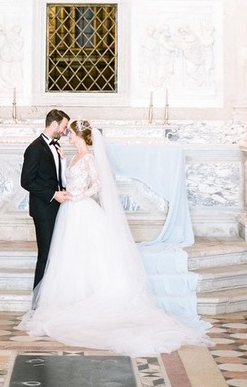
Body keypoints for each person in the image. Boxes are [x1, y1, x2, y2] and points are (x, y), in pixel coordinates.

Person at [19, 119, 210, 357]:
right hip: (69, 212)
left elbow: (97, 185)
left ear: (79, 135)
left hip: (80, 208)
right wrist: (63, 161)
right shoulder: (73, 155)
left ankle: (84, 300)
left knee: (86, 254)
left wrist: (78, 195)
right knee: (70, 256)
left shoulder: (88, 157)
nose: (67, 135)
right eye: (66, 130)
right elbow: (66, 177)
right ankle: (69, 298)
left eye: (70, 132)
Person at [20, 109, 71, 290]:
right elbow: (26, 181)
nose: (64, 131)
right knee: (45, 254)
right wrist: (53, 194)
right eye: (64, 127)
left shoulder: (56, 147)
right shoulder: (35, 148)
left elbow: (56, 177)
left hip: (57, 207)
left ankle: (52, 293)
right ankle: (38, 298)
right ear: (54, 124)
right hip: (43, 209)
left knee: (56, 253)